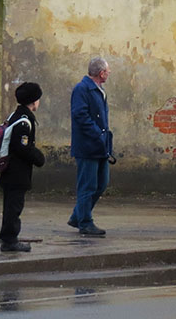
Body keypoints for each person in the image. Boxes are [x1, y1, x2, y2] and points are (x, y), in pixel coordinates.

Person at [0, 82, 45, 253]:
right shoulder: (24, 122)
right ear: (33, 101)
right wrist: (39, 158)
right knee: (14, 207)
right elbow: (23, 148)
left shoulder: (15, 115)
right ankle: (10, 241)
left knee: (10, 206)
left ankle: (8, 237)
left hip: (10, 172)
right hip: (16, 174)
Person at [69, 57, 112, 236]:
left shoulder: (99, 90)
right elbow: (80, 115)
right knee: (87, 186)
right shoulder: (82, 89)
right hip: (88, 146)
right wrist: (97, 133)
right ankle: (85, 223)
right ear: (101, 73)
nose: (109, 73)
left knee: (102, 183)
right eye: (108, 71)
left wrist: (103, 138)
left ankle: (77, 216)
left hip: (100, 146)